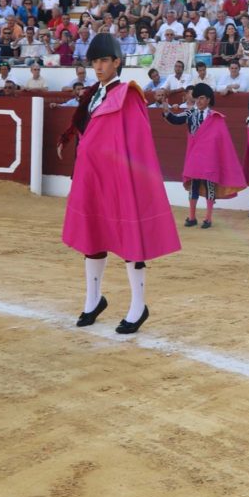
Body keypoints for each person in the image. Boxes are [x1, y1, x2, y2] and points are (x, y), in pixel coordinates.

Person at [58, 33, 180, 334]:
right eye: (94, 62)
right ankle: (93, 299)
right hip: (91, 175)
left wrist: (132, 181)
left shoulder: (128, 95)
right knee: (92, 237)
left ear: (117, 62)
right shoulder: (92, 95)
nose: (98, 67)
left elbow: (137, 143)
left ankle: (138, 306)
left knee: (129, 239)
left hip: (118, 178)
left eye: (103, 61)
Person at [163, 83, 246, 229]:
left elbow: (223, 143)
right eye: (197, 99)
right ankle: (192, 217)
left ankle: (208, 218)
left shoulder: (216, 117)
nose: (198, 101)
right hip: (195, 155)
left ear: (208, 100)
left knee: (210, 185)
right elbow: (175, 119)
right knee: (193, 185)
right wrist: (166, 110)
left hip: (210, 157)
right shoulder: (190, 113)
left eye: (201, 98)